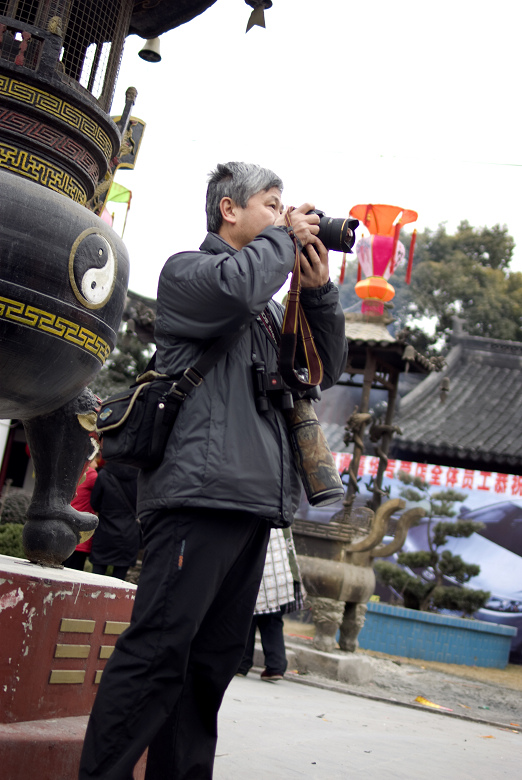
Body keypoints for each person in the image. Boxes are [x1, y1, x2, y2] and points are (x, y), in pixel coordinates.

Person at [79, 161, 347, 780]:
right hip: (197, 498)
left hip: (253, 508)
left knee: (211, 665)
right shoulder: (188, 273)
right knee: (157, 654)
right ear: (230, 209)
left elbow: (320, 369)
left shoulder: (265, 306)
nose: (286, 218)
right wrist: (284, 239)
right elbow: (237, 289)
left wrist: (320, 291)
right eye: (273, 205)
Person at [237, 526, 305, 682]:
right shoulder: (284, 517)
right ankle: (276, 667)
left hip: (263, 576)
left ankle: (241, 664)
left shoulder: (263, 512)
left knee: (247, 619)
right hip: (284, 577)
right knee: (272, 621)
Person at [88, 461, 140, 581]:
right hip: (129, 534)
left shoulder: (104, 474)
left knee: (96, 579)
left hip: (105, 531)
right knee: (119, 582)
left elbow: (94, 503)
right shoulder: (139, 476)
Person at [63, 459, 98, 571]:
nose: (97, 464)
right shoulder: (92, 475)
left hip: (64, 527)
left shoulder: (71, 472)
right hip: (79, 532)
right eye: (95, 460)